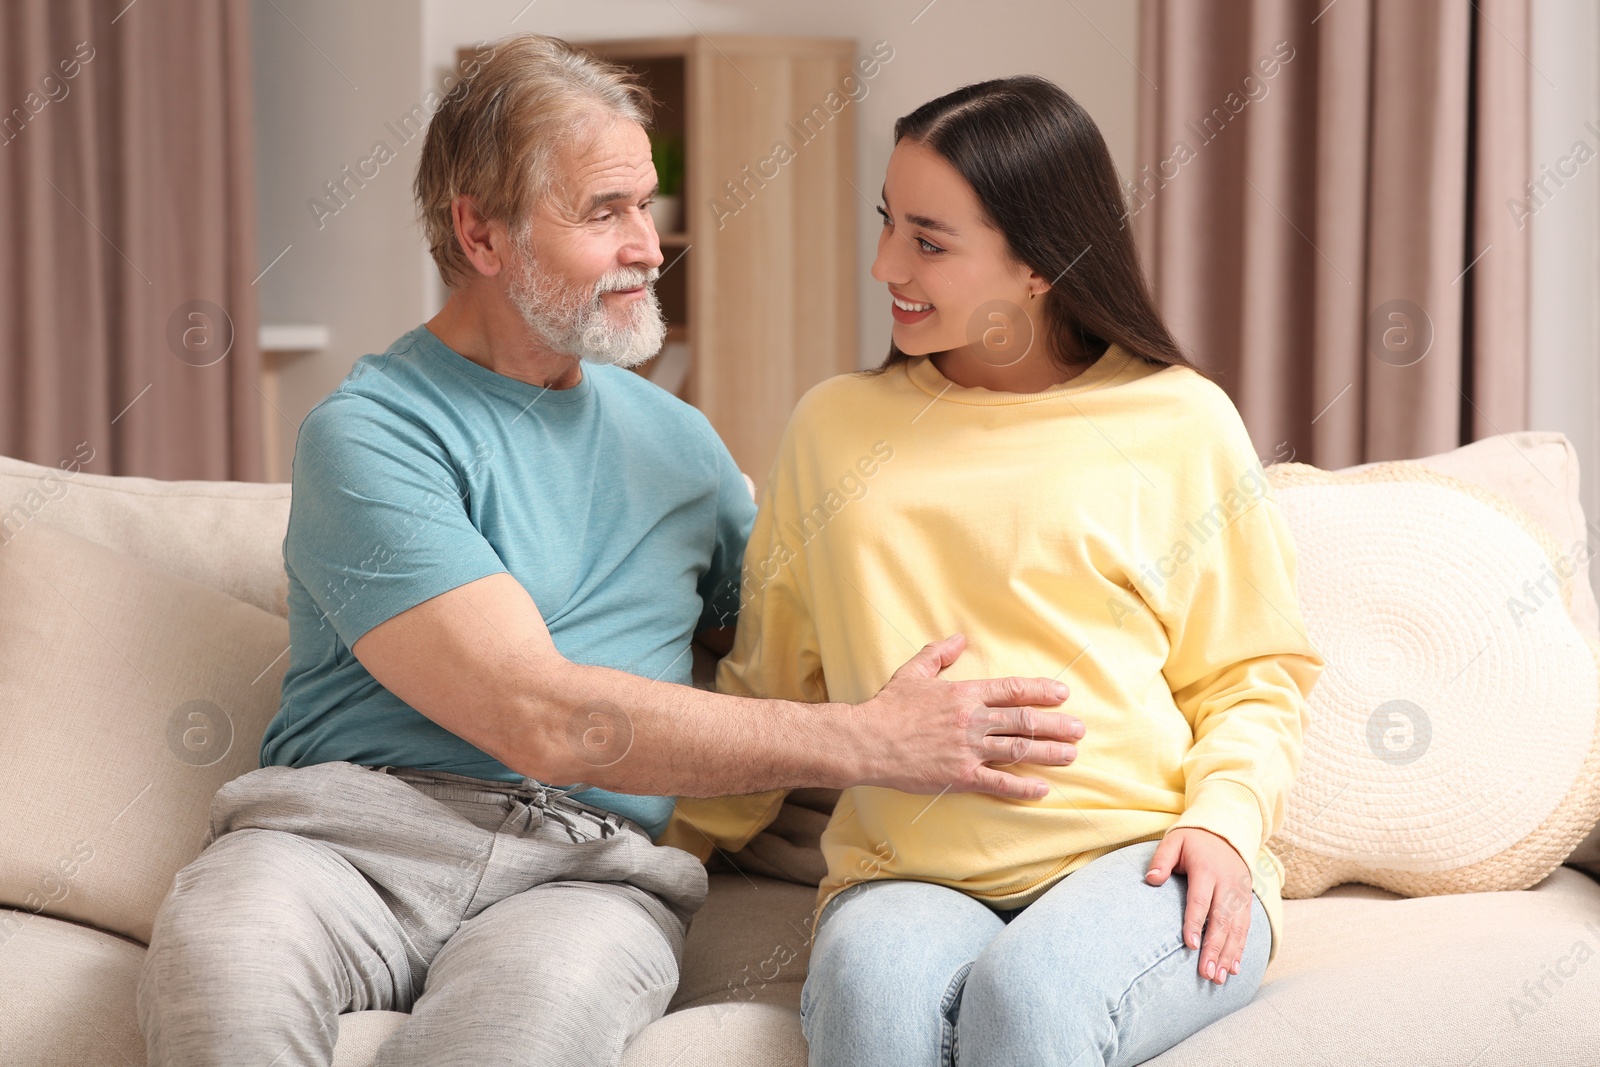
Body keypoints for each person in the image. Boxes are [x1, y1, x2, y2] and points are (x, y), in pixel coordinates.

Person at [134, 38, 1086, 1067]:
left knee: (513, 1040)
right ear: (480, 233)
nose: (649, 245)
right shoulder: (371, 432)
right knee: (219, 983)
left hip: (581, 873)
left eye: (646, 205)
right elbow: (537, 713)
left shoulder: (680, 444)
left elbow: (798, 630)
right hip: (344, 842)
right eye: (605, 212)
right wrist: (864, 737)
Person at [666, 76, 1326, 1066]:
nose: (885, 263)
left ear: (1039, 263)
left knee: (1027, 1000)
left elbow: (1254, 674)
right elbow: (767, 687)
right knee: (870, 1000)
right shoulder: (834, 429)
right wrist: (658, 854)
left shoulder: (1181, 422)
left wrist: (1227, 823)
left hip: (1137, 860)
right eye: (887, 223)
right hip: (907, 868)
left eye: (929, 241)